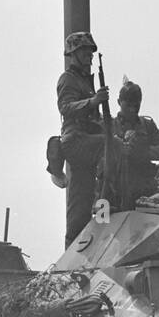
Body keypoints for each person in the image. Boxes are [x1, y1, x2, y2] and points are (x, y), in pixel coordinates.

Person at [56, 31, 110, 247]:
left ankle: (72, 249)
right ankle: (105, 201)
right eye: (84, 51)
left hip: (86, 143)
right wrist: (93, 101)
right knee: (110, 147)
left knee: (79, 203)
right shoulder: (68, 79)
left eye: (90, 51)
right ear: (73, 54)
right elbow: (66, 107)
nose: (89, 55)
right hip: (76, 140)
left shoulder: (85, 80)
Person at [106, 79, 159, 208]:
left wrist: (144, 152)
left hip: (143, 189)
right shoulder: (109, 126)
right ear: (119, 102)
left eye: (136, 106)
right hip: (114, 191)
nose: (132, 109)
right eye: (128, 105)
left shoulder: (147, 125)